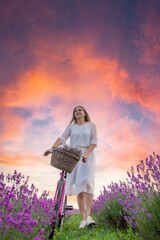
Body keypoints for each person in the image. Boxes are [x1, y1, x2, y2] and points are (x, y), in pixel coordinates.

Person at [43, 105, 98, 229]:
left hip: (88, 157)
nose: (77, 112)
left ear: (84, 113)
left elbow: (94, 141)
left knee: (88, 183)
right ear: (74, 115)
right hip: (74, 156)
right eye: (75, 111)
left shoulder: (91, 125)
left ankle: (90, 217)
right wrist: (52, 148)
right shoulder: (71, 127)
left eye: (80, 110)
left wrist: (87, 153)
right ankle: (83, 219)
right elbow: (62, 139)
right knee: (80, 187)